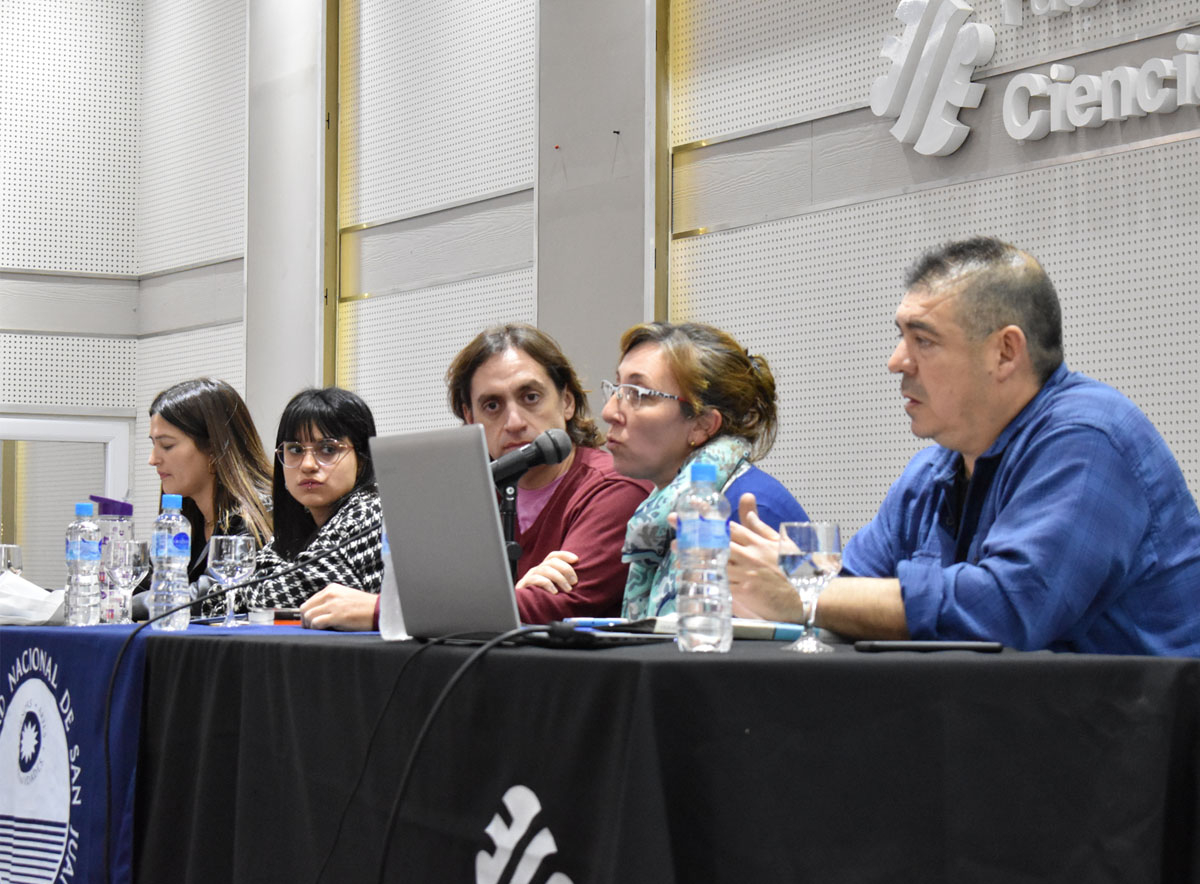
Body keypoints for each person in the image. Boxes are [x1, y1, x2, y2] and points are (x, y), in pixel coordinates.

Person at [729, 236, 1200, 655]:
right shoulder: (932, 470)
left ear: (1004, 353)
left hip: (1131, 743)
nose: (896, 362)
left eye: (924, 340)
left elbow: (1008, 610)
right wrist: (789, 579)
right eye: (901, 337)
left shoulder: (1090, 438)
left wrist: (805, 590)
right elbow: (854, 591)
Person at [299, 324, 651, 630]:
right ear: (469, 417)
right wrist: (514, 598)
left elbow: (563, 605)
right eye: (492, 406)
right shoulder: (470, 493)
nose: (513, 422)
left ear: (568, 402)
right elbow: (436, 595)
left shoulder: (613, 489)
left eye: (530, 397)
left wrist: (383, 612)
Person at [601, 321, 808, 620]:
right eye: (617, 387)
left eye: (639, 393)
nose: (609, 411)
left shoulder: (749, 512)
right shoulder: (662, 509)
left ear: (702, 425)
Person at [244, 387, 384, 616]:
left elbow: (279, 597)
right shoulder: (304, 520)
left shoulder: (371, 511)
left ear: (362, 457)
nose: (308, 464)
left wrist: (241, 590)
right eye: (295, 450)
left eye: (328, 449)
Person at [146, 378, 273, 614]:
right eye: (153, 445)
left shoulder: (259, 514)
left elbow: (210, 595)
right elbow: (147, 583)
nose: (153, 459)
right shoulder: (183, 518)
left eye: (167, 446)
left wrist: (112, 604)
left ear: (214, 449)